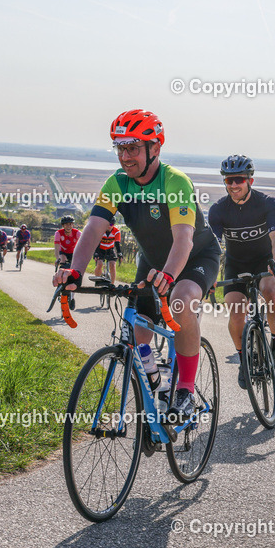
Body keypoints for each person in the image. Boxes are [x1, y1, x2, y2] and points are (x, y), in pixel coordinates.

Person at [52, 109, 221, 421]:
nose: (125, 156)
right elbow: (92, 231)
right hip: (153, 262)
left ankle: (184, 390)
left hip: (196, 257)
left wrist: (170, 275)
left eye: (133, 148)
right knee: (137, 333)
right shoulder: (117, 183)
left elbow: (183, 238)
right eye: (120, 148)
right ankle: (157, 385)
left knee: (182, 301)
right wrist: (75, 270)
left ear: (155, 148)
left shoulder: (175, 182)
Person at [207, 155, 275, 390]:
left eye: (239, 180)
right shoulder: (218, 210)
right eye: (228, 180)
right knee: (235, 310)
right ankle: (244, 359)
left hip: (265, 261)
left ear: (250, 180)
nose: (233, 185)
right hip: (236, 264)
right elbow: (214, 246)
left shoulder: (267, 203)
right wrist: (210, 275)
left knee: (271, 291)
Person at [93, 218, 122, 282]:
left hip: (110, 249)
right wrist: (96, 253)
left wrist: (119, 253)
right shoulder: (101, 230)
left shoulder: (116, 231)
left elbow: (117, 243)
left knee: (112, 265)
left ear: (113, 224)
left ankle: (112, 284)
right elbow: (97, 242)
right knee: (99, 264)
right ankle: (97, 280)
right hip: (100, 249)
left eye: (111, 224)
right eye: (107, 224)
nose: (109, 226)